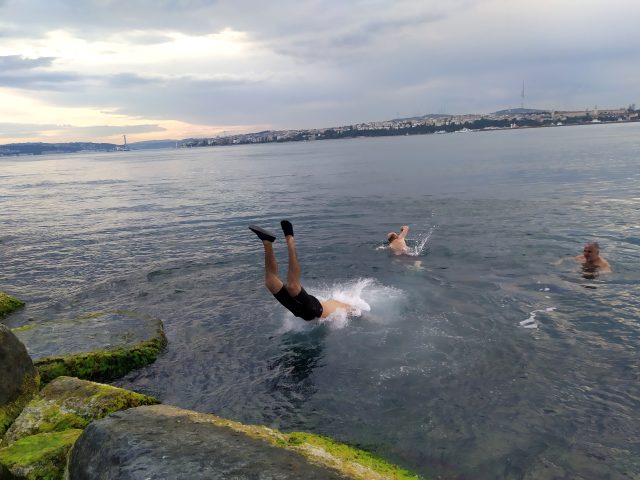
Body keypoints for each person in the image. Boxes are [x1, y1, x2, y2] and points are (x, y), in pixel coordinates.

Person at [249, 220, 355, 320]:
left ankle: (267, 242)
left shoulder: (346, 305)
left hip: (301, 312)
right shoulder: (347, 306)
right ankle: (290, 238)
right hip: (314, 311)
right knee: (292, 287)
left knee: (271, 282)